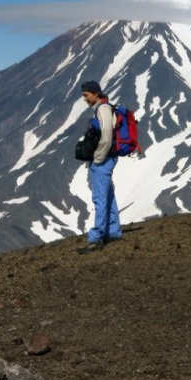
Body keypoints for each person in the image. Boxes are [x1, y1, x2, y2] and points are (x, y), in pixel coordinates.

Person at [78, 80, 122, 253]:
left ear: (96, 93)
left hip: (103, 160)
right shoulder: (103, 107)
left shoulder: (103, 109)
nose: (84, 99)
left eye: (86, 95)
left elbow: (106, 135)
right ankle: (113, 231)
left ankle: (96, 238)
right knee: (108, 195)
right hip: (107, 158)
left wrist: (98, 158)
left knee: (100, 197)